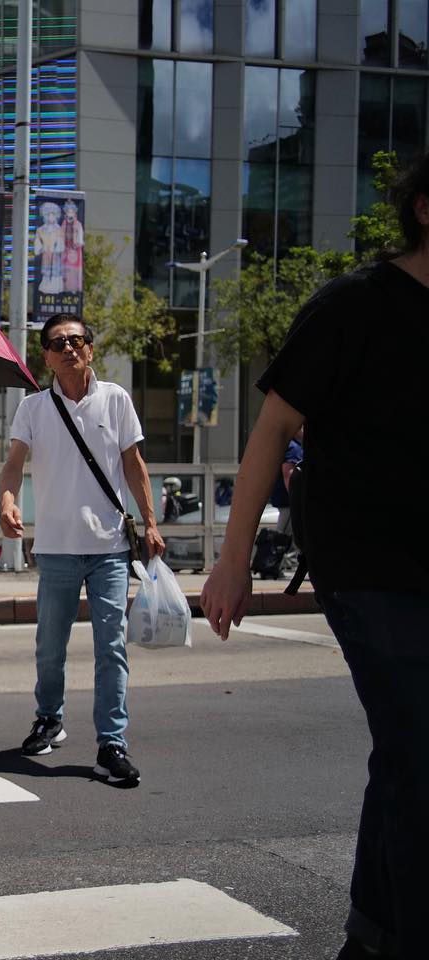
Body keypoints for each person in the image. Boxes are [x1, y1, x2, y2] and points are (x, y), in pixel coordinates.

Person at [200, 153, 429, 960]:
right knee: (420, 751)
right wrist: (233, 562)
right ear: (426, 210)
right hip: (365, 565)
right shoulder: (355, 304)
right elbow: (272, 427)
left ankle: (371, 932)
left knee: (408, 753)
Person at [0, 315, 165, 786]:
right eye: (57, 343)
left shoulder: (115, 400)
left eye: (75, 340)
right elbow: (13, 465)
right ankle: (49, 717)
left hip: (110, 546)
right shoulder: (32, 408)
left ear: (90, 349)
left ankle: (112, 742)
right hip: (55, 549)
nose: (67, 348)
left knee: (111, 646)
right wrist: (8, 503)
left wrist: (150, 522)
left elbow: (135, 466)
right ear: (46, 356)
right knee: (50, 648)